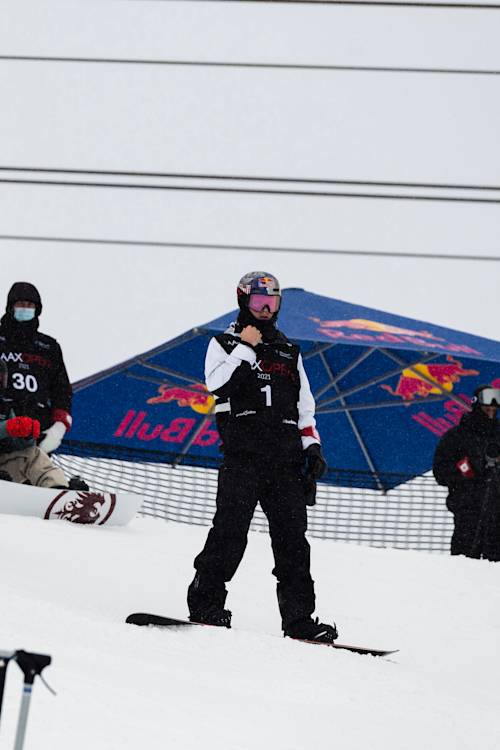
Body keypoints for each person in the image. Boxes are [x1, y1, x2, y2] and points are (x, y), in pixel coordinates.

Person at [187, 272, 338, 642]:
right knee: (229, 532)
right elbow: (218, 385)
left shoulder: (290, 351)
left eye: (272, 301)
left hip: (284, 462)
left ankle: (300, 620)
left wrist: (312, 448)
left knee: (292, 541)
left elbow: (306, 408)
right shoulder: (223, 343)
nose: (266, 308)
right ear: (243, 302)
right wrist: (246, 346)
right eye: (258, 302)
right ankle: (206, 604)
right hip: (243, 457)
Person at [0, 282, 76, 488]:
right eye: (21, 303)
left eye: (30, 305)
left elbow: (62, 390)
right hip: (4, 421)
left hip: (35, 431)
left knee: (35, 463)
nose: (25, 308)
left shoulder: (50, 347)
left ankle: (59, 493)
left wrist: (58, 428)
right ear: (10, 307)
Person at [433, 384, 500, 561]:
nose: (492, 410)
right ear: (476, 404)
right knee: (464, 567)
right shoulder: (456, 437)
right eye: (487, 407)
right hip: (468, 515)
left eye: (495, 407)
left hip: (497, 518)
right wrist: (466, 469)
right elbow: (440, 473)